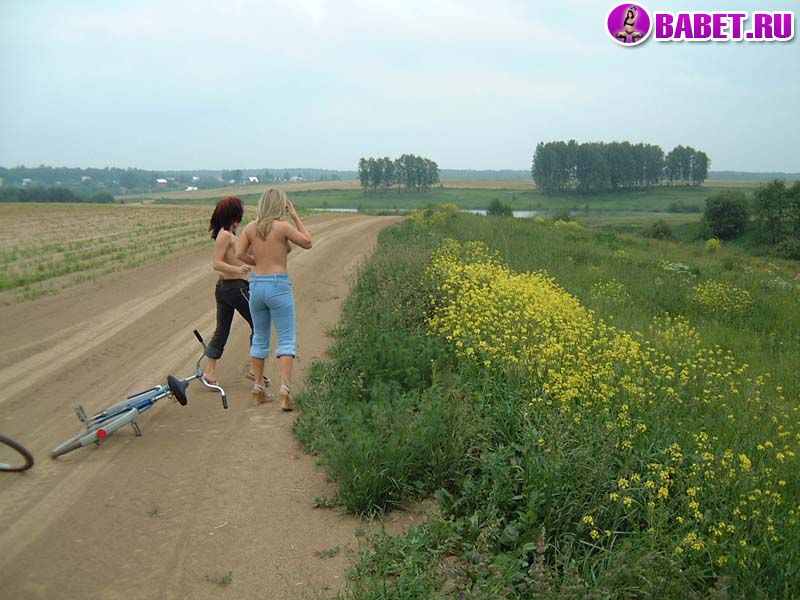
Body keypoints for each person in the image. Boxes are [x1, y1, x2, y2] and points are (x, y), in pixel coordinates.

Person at [236, 188, 312, 411]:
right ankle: (285, 388)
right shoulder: (283, 227)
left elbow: (239, 254)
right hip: (278, 284)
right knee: (286, 338)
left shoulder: (251, 228)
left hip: (257, 285)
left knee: (260, 337)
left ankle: (258, 387)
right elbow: (307, 242)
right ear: (280, 205)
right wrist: (295, 216)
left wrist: (256, 262)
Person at [205, 196, 268, 391]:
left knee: (222, 330)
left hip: (226, 288)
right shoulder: (225, 235)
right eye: (238, 215)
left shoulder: (231, 235)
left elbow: (246, 255)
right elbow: (216, 263)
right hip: (235, 288)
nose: (240, 218)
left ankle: (209, 372)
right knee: (259, 323)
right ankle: (254, 370)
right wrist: (238, 269)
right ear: (232, 215)